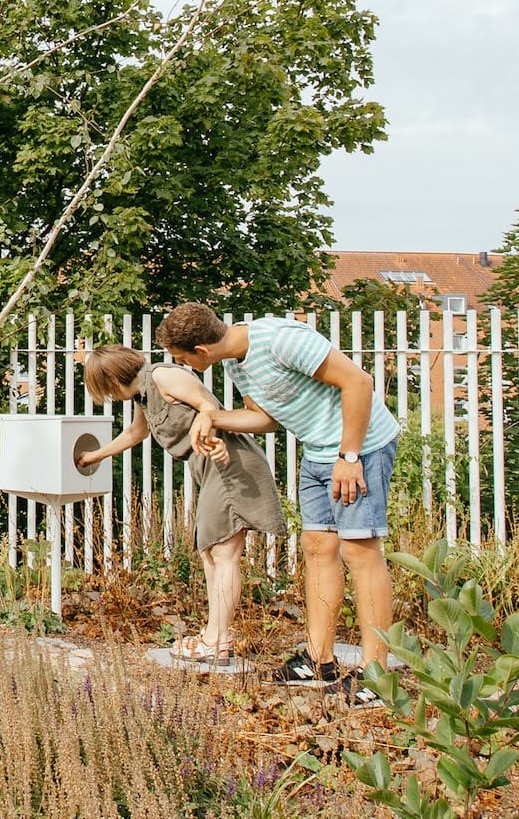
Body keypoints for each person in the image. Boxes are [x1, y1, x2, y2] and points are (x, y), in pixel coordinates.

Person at [157, 302, 401, 705]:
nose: (181, 366)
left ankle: (376, 677)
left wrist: (350, 457)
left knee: (361, 553)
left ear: (201, 350)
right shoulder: (236, 362)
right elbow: (266, 419)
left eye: (182, 359)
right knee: (318, 547)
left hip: (360, 449)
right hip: (319, 451)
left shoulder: (280, 340)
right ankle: (317, 660)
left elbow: (359, 382)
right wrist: (212, 418)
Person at [74, 343, 285, 669]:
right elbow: (135, 433)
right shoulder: (144, 394)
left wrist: (213, 440)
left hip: (229, 462)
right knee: (209, 550)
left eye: (103, 388)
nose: (107, 395)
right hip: (211, 468)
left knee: (222, 551)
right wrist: (94, 456)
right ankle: (215, 635)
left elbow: (208, 407)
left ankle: (218, 641)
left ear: (112, 380)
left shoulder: (163, 376)